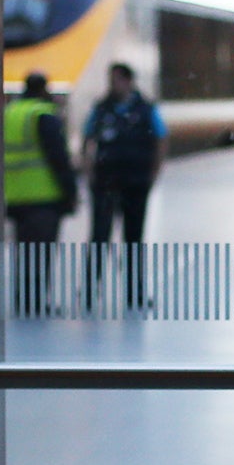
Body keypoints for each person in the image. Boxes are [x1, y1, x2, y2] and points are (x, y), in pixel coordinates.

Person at [81, 62, 166, 305]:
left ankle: (135, 293)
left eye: (117, 79)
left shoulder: (146, 109)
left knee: (133, 238)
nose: (113, 85)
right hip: (105, 182)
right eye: (111, 80)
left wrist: (154, 173)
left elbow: (161, 139)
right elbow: (88, 139)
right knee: (99, 236)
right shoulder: (101, 109)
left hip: (136, 182)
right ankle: (89, 290)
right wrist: (89, 172)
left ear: (129, 81)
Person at [3, 71, 77, 313]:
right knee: (41, 253)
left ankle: (22, 299)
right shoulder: (43, 114)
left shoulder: (10, 113)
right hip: (43, 195)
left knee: (23, 251)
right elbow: (59, 158)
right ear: (45, 89)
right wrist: (70, 191)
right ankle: (35, 302)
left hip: (15, 195)